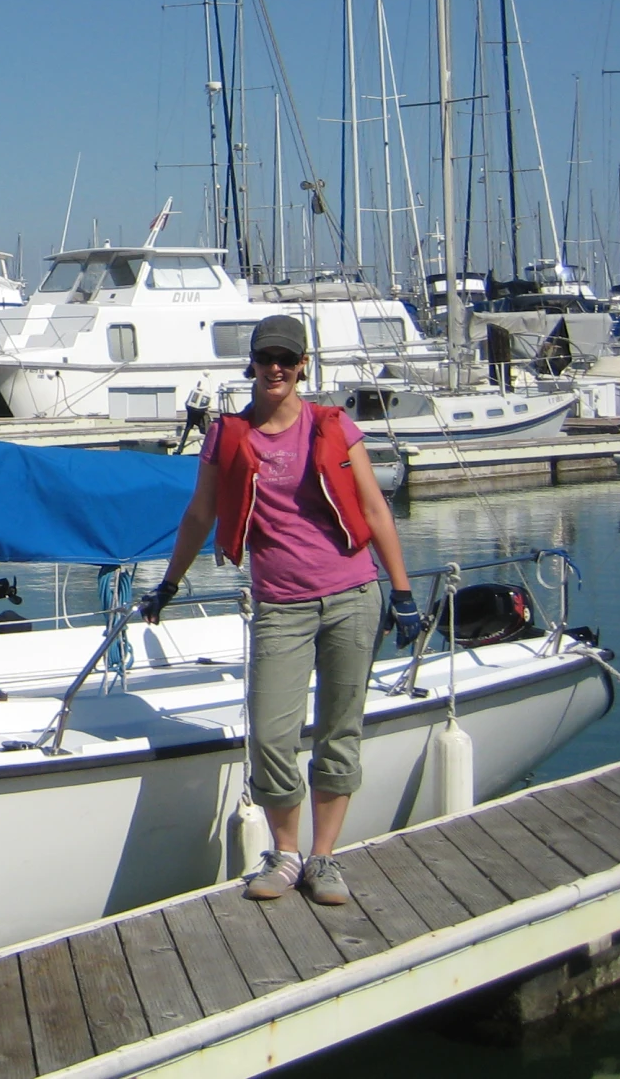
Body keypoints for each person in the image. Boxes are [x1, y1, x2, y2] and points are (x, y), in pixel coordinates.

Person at [139, 313, 424, 906]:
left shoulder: (333, 424)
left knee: (340, 729)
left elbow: (373, 509)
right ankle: (285, 855)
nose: (276, 368)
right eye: (266, 358)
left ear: (302, 367)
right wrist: (168, 585)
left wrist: (402, 593)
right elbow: (200, 515)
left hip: (352, 595)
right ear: (253, 364)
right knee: (271, 734)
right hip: (281, 605)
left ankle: (324, 859)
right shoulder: (228, 434)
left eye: (287, 359)